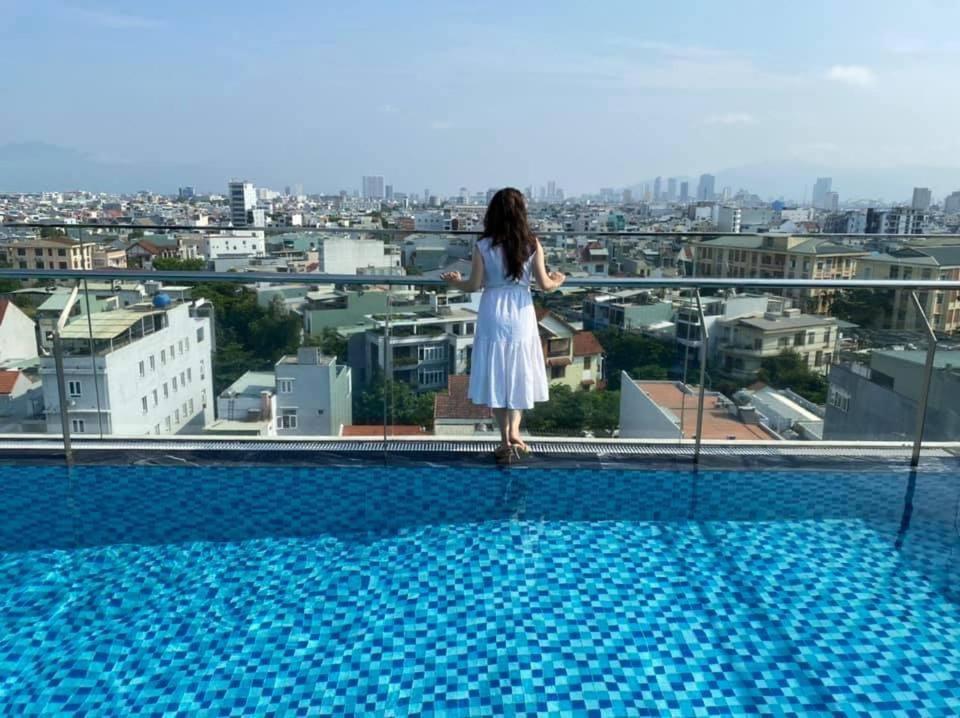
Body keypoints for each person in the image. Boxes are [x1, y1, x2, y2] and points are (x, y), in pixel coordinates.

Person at [441, 187, 565, 460]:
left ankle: (503, 438)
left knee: (498, 370)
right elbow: (545, 285)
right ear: (522, 213)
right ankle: (516, 431)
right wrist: (559, 279)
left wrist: (454, 282)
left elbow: (474, 285)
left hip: (493, 309)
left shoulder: (484, 245)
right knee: (519, 369)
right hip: (521, 310)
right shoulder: (532, 244)